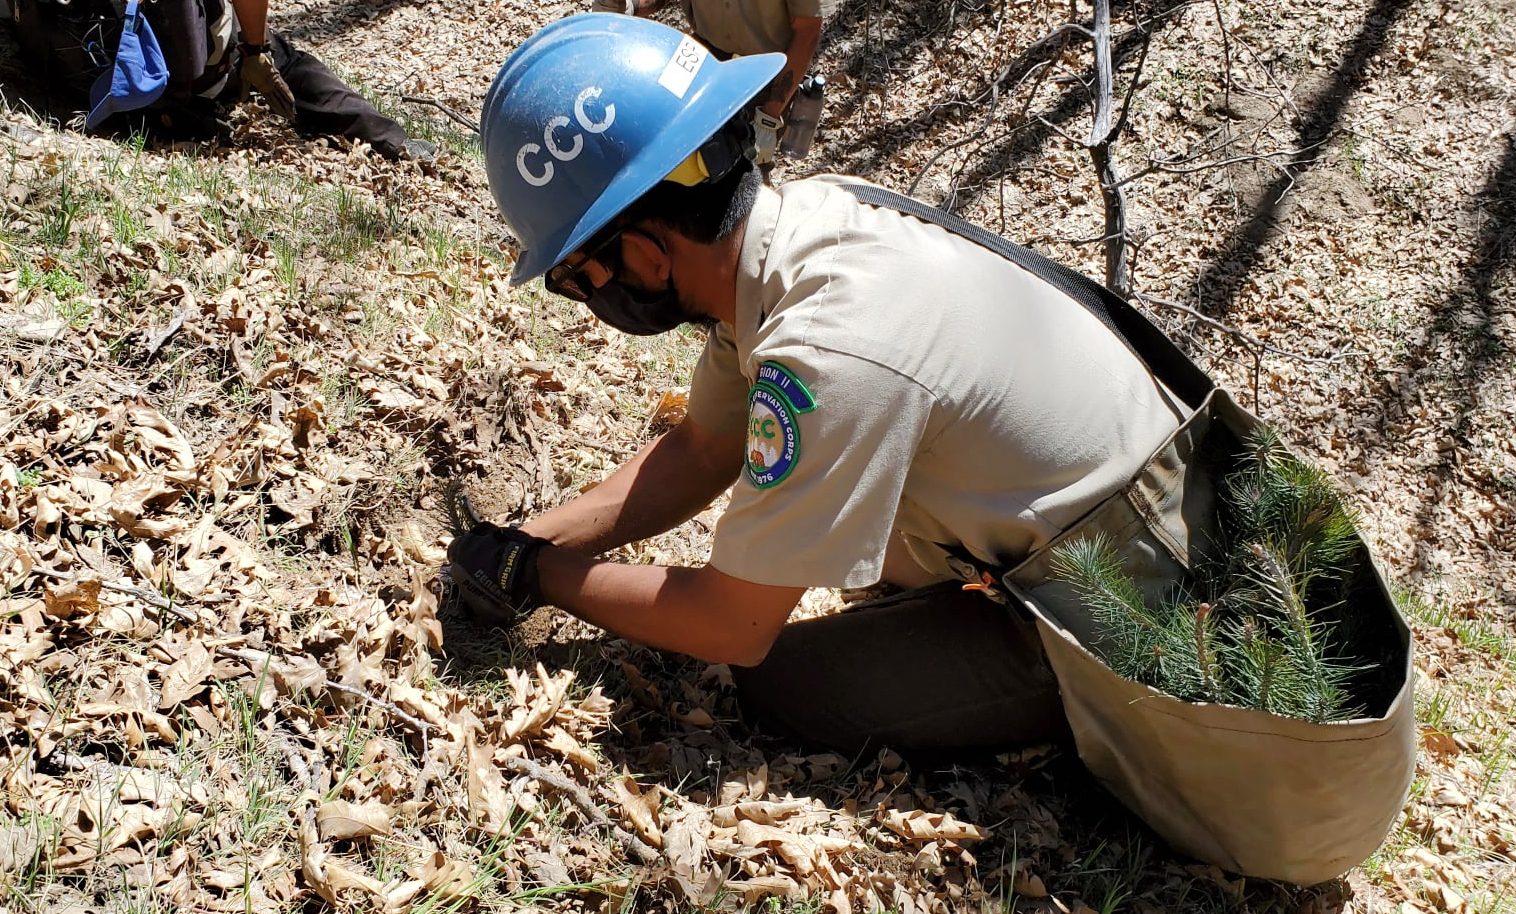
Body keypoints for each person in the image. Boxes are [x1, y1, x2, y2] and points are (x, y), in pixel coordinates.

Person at [450, 14, 1187, 756]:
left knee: (788, 686)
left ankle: (1075, 706)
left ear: (641, 255)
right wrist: (521, 542)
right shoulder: (801, 235)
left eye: (579, 278)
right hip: (1143, 504)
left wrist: (545, 576)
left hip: (1136, 606)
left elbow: (727, 625)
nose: (589, 297)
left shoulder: (826, 344)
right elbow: (703, 449)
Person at [7, 0, 428, 159]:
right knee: (291, 63)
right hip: (165, 73)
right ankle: (390, 137)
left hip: (91, 73)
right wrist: (256, 52)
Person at [589, 0, 833, 163]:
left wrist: (769, 116)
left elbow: (808, 31)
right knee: (664, 153)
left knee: (748, 171)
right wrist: (626, 5)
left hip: (763, 73)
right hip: (700, 54)